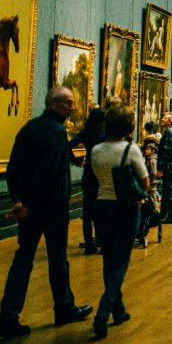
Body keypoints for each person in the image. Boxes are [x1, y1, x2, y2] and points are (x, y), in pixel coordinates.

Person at [0, 86, 92, 339]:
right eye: (69, 102)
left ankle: (8, 317)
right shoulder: (57, 131)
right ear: (56, 104)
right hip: (51, 207)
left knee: (23, 259)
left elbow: (13, 168)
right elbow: (48, 172)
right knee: (58, 259)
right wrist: (26, 202)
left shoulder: (29, 128)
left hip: (29, 207)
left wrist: (18, 199)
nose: (73, 107)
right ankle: (64, 307)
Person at [89, 103, 149, 339]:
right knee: (121, 261)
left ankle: (119, 310)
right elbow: (144, 181)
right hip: (125, 208)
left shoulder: (96, 150)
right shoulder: (129, 150)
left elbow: (98, 177)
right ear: (128, 126)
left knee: (108, 260)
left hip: (102, 206)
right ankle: (103, 312)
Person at [68, 106, 105, 255]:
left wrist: (77, 161)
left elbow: (67, 146)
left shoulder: (86, 132)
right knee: (101, 207)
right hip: (102, 172)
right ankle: (101, 240)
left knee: (88, 209)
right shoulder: (105, 133)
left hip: (89, 171)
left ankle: (89, 243)